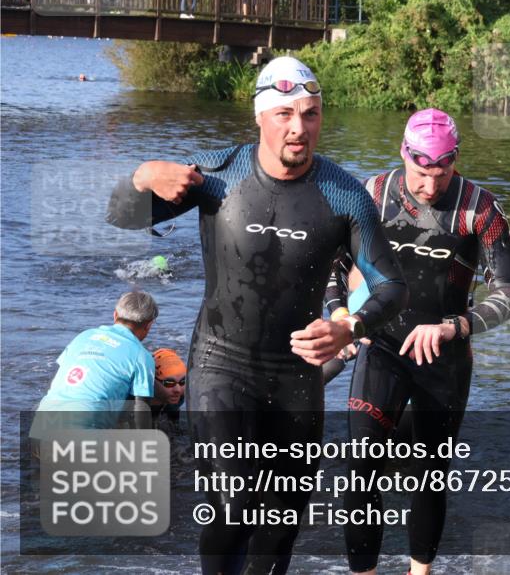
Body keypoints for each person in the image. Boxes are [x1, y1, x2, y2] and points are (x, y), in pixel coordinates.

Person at [106, 56, 408, 575]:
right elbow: (119, 215)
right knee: (232, 506)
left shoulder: (344, 195)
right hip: (221, 364)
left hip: (295, 378)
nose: (299, 128)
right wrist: (141, 176)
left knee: (280, 526)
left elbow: (391, 286)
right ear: (260, 116)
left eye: (311, 114)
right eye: (286, 113)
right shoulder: (216, 175)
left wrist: (347, 327)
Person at [322, 108, 510, 575]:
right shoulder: (372, 195)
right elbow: (331, 264)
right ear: (403, 156)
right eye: (420, 174)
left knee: (427, 477)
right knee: (361, 467)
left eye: (442, 174)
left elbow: (508, 298)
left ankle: (420, 572)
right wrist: (342, 315)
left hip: (444, 357)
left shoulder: (480, 209)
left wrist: (453, 326)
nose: (430, 187)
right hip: (381, 345)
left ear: (454, 161)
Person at [30, 291, 158, 437]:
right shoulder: (141, 356)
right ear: (149, 325)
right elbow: (141, 408)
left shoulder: (83, 336)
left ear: (115, 315)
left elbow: (53, 384)